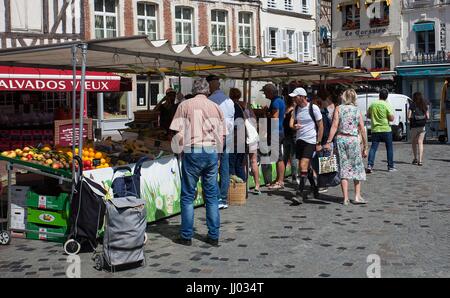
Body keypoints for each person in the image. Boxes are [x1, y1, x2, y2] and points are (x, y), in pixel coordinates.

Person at [169, 78, 225, 247]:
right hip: (211, 152)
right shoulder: (216, 107)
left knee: (187, 196)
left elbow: (177, 132)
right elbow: (222, 136)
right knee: (212, 196)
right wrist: (219, 157)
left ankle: (186, 236)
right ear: (207, 91)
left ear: (194, 90)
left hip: (192, 150)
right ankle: (213, 235)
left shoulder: (184, 105)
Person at [325, 89, 368, 205]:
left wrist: (329, 141)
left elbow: (334, 126)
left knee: (344, 167)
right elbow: (362, 129)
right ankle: (357, 196)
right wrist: (365, 146)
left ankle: (345, 198)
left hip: (341, 139)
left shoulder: (339, 108)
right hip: (353, 140)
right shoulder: (356, 110)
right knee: (357, 167)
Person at [289, 87, 324, 202]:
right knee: (305, 167)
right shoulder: (296, 108)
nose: (294, 99)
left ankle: (299, 194)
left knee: (303, 166)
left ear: (302, 97)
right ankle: (314, 189)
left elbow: (321, 126)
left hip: (310, 141)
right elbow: (291, 124)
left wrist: (318, 142)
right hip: (299, 140)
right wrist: (294, 126)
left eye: (295, 97)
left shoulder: (313, 108)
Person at [207, 75, 235, 209]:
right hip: (228, 135)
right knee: (225, 167)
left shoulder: (211, 100)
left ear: (212, 85)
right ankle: (223, 198)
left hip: (216, 135)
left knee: (213, 167)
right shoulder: (229, 101)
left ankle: (217, 198)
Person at [261, 83, 286, 190]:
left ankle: (280, 181)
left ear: (270, 92)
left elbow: (275, 118)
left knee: (278, 157)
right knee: (278, 157)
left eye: (265, 92)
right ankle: (278, 179)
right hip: (279, 131)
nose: (264, 94)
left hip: (276, 131)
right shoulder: (279, 100)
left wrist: (266, 112)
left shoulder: (275, 102)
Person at [366, 89, 396, 173]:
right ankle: (390, 166)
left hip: (375, 129)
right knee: (389, 148)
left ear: (379, 95)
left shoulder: (373, 104)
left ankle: (369, 165)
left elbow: (368, 115)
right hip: (386, 129)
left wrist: (374, 117)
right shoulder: (387, 105)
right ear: (386, 96)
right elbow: (391, 118)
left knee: (373, 148)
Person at [240, 101, 261, 195]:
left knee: (244, 162)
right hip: (253, 136)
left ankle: (244, 185)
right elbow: (255, 120)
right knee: (253, 161)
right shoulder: (247, 105)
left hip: (244, 137)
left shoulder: (237, 107)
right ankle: (257, 185)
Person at [228, 88, 246, 181]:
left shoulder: (234, 106)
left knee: (233, 166)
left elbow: (236, 124)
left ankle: (236, 191)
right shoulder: (240, 105)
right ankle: (243, 190)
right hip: (241, 139)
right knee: (239, 165)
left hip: (235, 140)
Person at [408, 92, 429, 166]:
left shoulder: (412, 104)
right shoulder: (424, 104)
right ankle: (420, 161)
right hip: (422, 125)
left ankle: (415, 158)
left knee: (414, 142)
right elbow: (428, 116)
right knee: (420, 142)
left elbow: (409, 116)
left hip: (414, 126)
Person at [283, 95, 298, 184]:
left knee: (289, 157)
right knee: (291, 157)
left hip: (289, 136)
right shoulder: (292, 110)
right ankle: (292, 177)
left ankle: (290, 177)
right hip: (289, 136)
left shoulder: (289, 110)